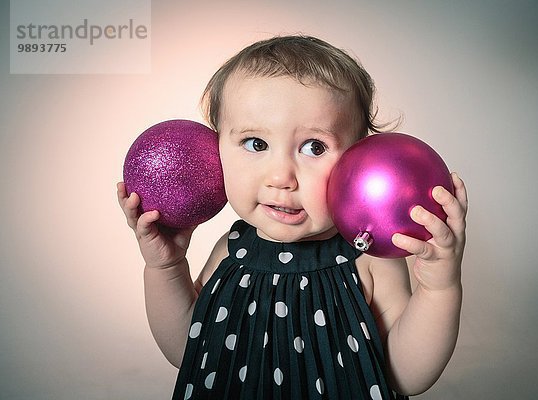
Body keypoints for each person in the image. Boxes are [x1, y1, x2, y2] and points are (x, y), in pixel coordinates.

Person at [117, 35, 467, 400]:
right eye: (256, 143)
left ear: (360, 160)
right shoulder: (231, 253)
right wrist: (166, 268)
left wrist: (439, 288)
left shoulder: (369, 262)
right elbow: (186, 351)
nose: (281, 177)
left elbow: (407, 376)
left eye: (314, 147)